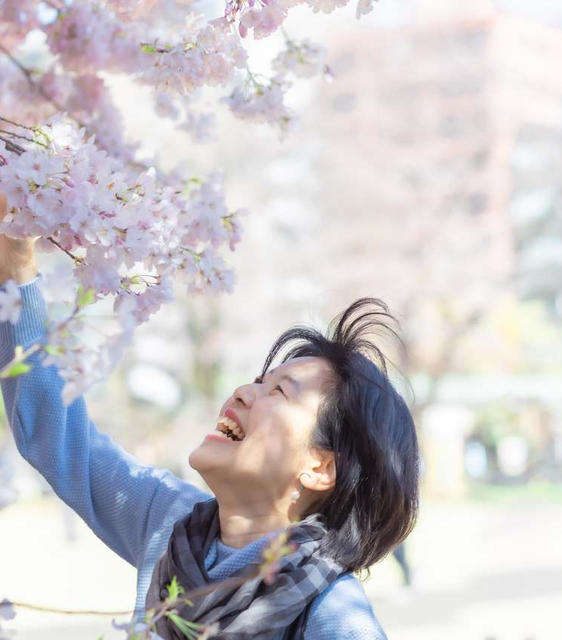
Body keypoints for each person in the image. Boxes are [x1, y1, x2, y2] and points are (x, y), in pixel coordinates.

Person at [0, 203, 420, 639]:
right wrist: (16, 261)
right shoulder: (168, 521)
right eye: (259, 380)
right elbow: (59, 436)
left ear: (319, 467)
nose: (242, 392)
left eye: (278, 391)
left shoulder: (332, 614)